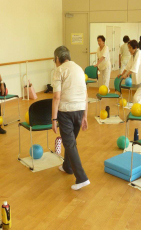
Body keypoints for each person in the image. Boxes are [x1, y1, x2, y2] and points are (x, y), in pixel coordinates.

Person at [52, 46, 90, 191]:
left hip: (66, 112)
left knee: (70, 144)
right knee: (70, 142)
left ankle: (82, 178)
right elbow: (85, 95)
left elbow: (56, 97)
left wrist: (54, 119)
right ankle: (67, 166)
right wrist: (85, 116)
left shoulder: (59, 70)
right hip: (80, 110)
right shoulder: (79, 69)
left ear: (57, 59)